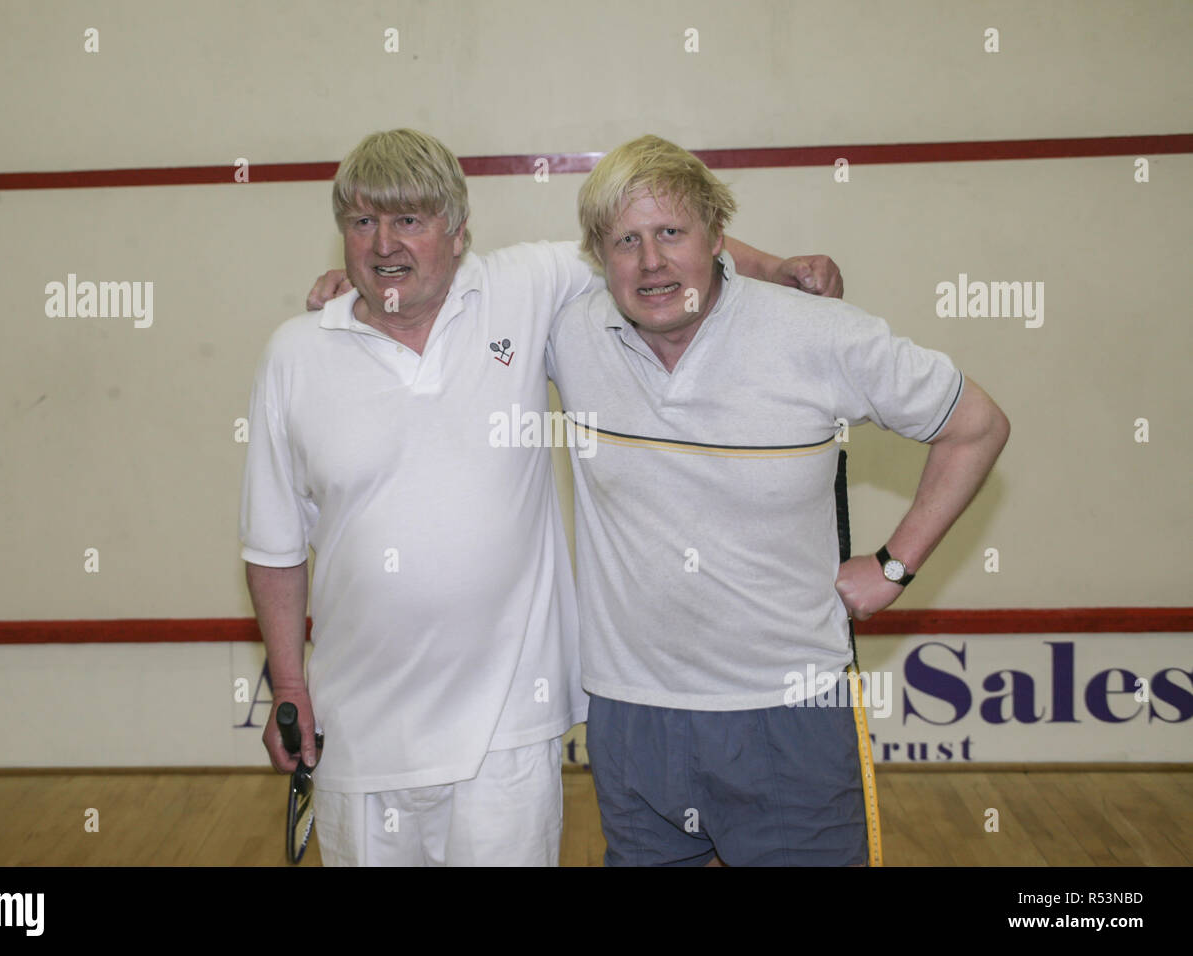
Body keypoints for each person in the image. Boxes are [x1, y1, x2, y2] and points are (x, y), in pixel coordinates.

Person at [244, 128, 839, 866]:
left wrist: (776, 268)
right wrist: (291, 685)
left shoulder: (523, 289)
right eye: (363, 222)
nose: (384, 243)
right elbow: (273, 549)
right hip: (357, 741)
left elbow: (660, 242)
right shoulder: (294, 356)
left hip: (510, 739)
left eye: (409, 220)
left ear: (459, 234)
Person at [545, 135, 1010, 866]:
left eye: (672, 232)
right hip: (632, 713)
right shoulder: (572, 335)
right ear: (601, 257)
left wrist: (894, 565)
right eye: (626, 241)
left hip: (790, 714)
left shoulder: (817, 335)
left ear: (717, 237)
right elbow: (447, 306)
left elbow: (976, 425)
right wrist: (350, 298)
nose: (651, 261)